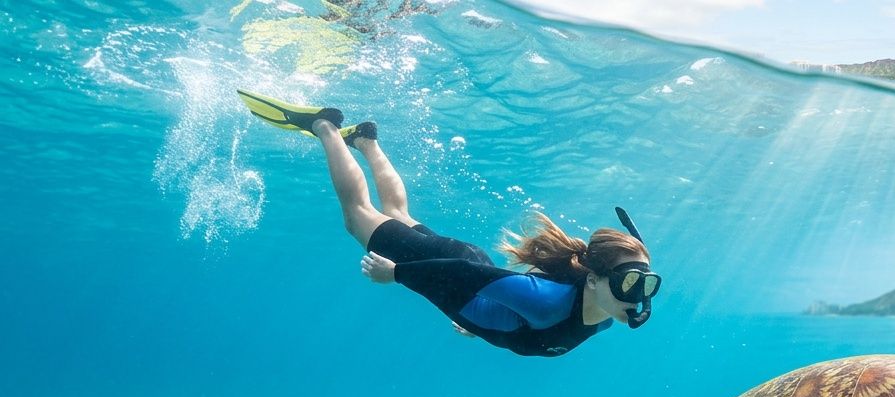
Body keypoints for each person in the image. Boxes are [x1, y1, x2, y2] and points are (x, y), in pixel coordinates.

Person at [237, 90, 661, 357]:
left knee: (398, 217)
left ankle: (365, 139)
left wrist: (484, 323)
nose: (638, 298)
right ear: (593, 280)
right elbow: (462, 274)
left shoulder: (605, 316)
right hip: (451, 272)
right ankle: (324, 125)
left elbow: (517, 317)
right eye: (628, 284)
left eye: (646, 286)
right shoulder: (548, 301)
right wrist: (397, 274)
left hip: (468, 280)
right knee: (359, 218)